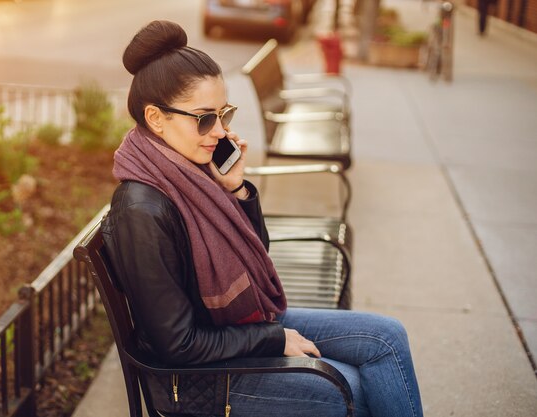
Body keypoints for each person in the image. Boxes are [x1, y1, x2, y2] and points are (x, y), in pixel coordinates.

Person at [103, 20, 424, 417]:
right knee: (352, 388)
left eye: (224, 114)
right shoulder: (143, 211)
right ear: (155, 118)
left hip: (234, 330)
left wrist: (236, 191)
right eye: (204, 118)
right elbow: (178, 344)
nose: (219, 131)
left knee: (387, 338)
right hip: (198, 379)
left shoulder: (191, 173)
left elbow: (255, 256)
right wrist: (273, 339)